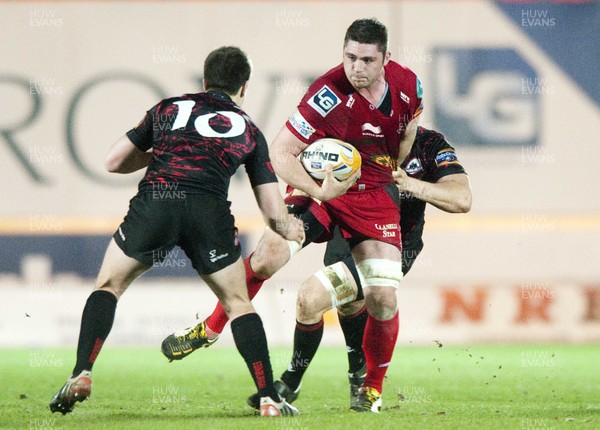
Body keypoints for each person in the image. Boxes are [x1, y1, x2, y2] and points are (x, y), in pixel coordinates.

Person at [161, 18, 423, 413]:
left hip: (372, 195)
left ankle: (372, 388)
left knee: (383, 298)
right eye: (350, 57)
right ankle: (211, 327)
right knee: (267, 258)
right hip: (319, 187)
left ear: (386, 58)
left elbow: (408, 134)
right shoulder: (326, 93)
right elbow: (281, 153)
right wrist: (320, 188)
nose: (356, 67)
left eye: (367, 60)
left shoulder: (408, 86)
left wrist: (387, 172)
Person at [48, 46, 305, 418]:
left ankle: (82, 373)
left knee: (108, 286)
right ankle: (268, 398)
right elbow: (272, 212)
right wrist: (291, 228)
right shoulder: (250, 129)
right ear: (244, 88)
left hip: (157, 203)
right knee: (237, 303)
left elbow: (113, 161)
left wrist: (160, 155)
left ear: (203, 81)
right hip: (208, 212)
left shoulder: (168, 108)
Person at [163, 127, 472, 413]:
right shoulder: (352, 128)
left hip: (392, 244)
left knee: (315, 298)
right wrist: (309, 186)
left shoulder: (430, 146)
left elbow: (462, 199)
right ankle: (212, 328)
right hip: (341, 221)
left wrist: (412, 184)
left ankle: (358, 386)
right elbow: (288, 151)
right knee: (268, 256)